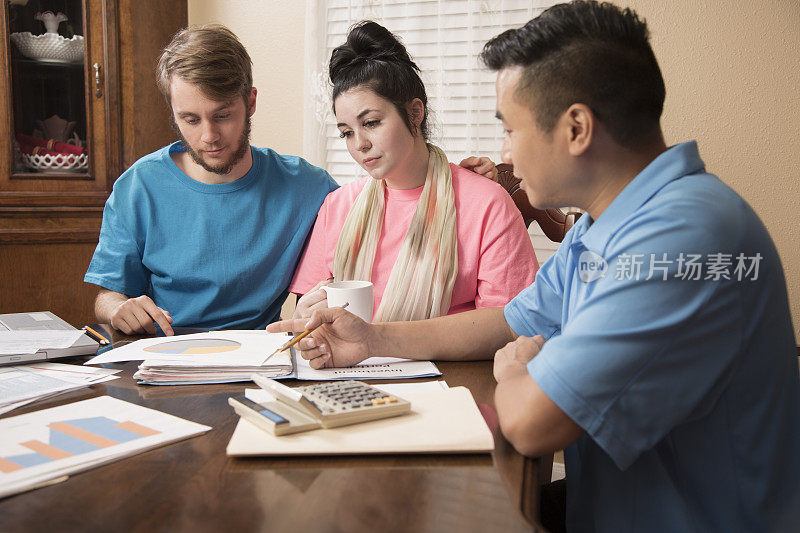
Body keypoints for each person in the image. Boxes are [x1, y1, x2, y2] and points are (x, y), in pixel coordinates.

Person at [269, 2, 800, 531]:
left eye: (510, 128)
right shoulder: (603, 226)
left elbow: (529, 424)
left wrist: (516, 371)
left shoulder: (681, 242)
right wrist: (373, 339)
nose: (502, 154)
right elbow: (511, 320)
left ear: (576, 128)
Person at [84, 24, 339, 335]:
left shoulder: (308, 187)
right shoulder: (137, 187)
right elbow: (107, 295)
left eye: (222, 115)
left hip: (259, 358)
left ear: (251, 102)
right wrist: (118, 309)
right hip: (164, 354)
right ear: (173, 112)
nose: (209, 137)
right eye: (190, 119)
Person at [289, 21, 538, 322]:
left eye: (371, 123)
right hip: (351, 367)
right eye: (346, 132)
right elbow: (308, 311)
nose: (360, 144)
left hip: (452, 370)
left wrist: (378, 341)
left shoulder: (486, 204)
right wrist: (305, 314)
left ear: (415, 113)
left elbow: (509, 325)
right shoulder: (337, 207)